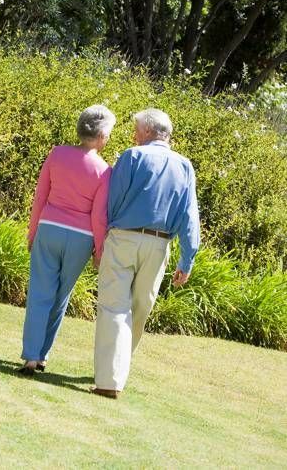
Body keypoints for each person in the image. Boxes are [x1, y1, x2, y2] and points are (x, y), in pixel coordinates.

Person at [92, 108, 200, 399]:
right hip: (158, 244)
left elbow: (112, 200)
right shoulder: (185, 166)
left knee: (114, 306)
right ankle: (116, 372)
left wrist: (104, 238)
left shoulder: (132, 156)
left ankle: (109, 380)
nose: (134, 134)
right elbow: (190, 217)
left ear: (149, 132)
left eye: (137, 129)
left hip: (124, 237)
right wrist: (187, 258)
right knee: (141, 308)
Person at [18, 105, 115, 375]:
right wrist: (99, 250)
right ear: (101, 136)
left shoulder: (57, 154)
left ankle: (31, 357)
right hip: (81, 238)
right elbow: (99, 217)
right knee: (61, 297)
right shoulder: (105, 171)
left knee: (40, 293)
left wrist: (32, 232)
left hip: (49, 228)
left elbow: (40, 196)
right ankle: (43, 355)